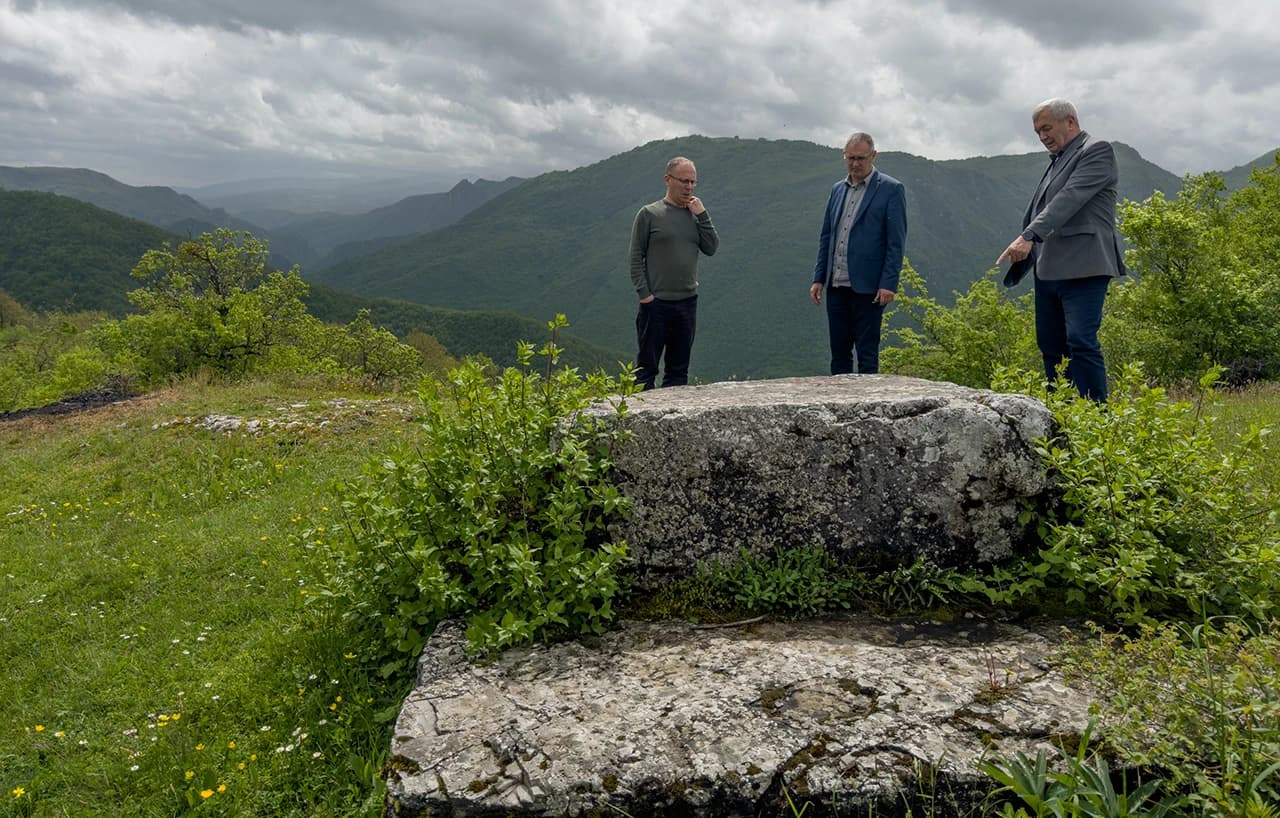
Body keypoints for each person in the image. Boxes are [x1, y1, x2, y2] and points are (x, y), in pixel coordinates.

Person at [998, 98, 1126, 401]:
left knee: (1081, 341)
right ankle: (1061, 415)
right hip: (1048, 268)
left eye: (1047, 128)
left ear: (1070, 122)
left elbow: (1068, 199)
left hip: (1085, 265)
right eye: (1037, 132)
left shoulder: (1096, 150)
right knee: (1051, 347)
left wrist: (1028, 235)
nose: (1042, 137)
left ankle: (1097, 417)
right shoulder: (1057, 159)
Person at [810, 132, 907, 375]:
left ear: (873, 156)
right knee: (839, 353)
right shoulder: (837, 190)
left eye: (860, 158)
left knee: (867, 353)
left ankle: (868, 408)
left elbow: (896, 242)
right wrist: (819, 277)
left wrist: (889, 284)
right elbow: (827, 236)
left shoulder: (891, 189)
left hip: (870, 288)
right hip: (837, 285)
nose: (854, 164)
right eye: (850, 157)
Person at [628, 156, 719, 389]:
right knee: (646, 369)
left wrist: (703, 215)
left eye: (693, 182)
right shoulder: (649, 214)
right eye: (684, 181)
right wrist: (644, 294)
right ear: (667, 180)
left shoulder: (695, 215)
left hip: (687, 303)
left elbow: (711, 248)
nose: (689, 187)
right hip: (655, 303)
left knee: (679, 371)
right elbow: (636, 256)